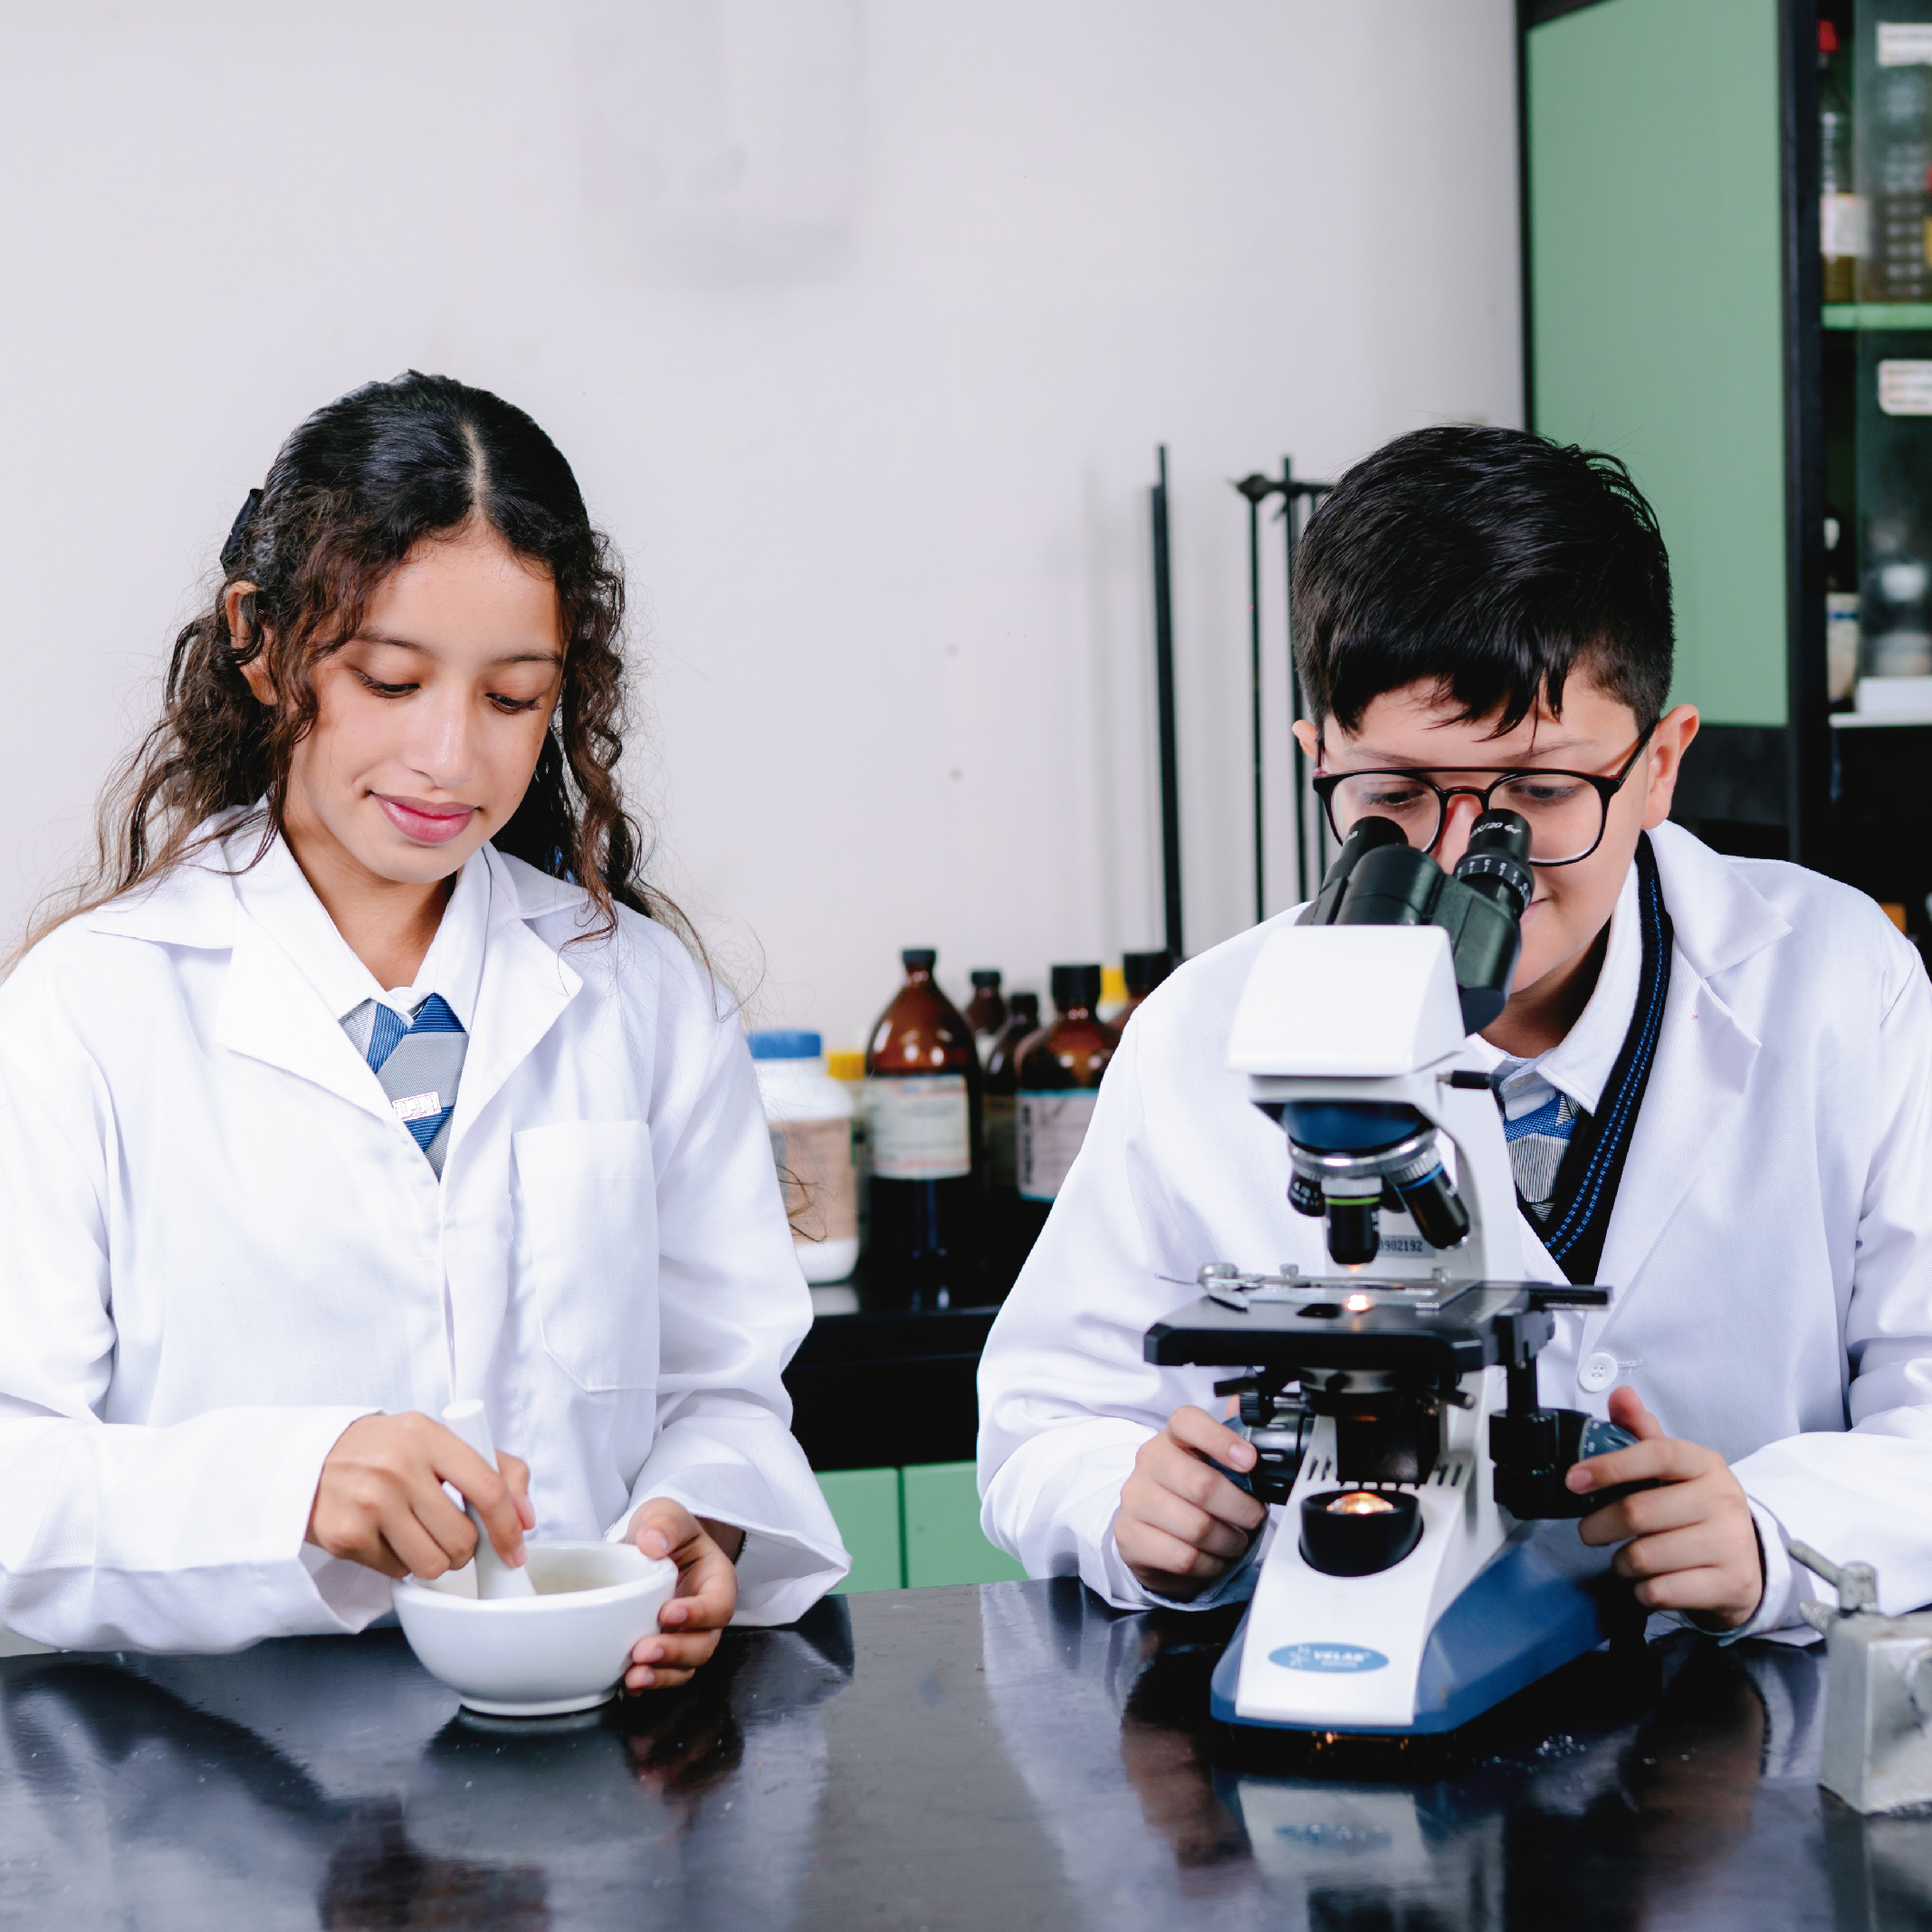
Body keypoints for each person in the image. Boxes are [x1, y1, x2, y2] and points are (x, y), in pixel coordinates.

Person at [978, 425, 1932, 1637]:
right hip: (1353, 1666)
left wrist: (1772, 1531)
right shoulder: (1201, 1029)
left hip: (1740, 1705)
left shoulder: (1838, 982)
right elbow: (1042, 1420)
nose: (1467, 859)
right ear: (1318, 761)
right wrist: (1124, 1503)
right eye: (1392, 795)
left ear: (1658, 765)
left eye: (1538, 791)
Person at [0, 372, 846, 1677]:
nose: (451, 757)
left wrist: (699, 1517)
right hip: (209, 1761)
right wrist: (289, 1485)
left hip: (584, 1732)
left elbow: (722, 1386)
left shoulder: (639, 994)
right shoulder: (87, 1010)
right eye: (391, 680)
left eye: (512, 699)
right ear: (261, 640)